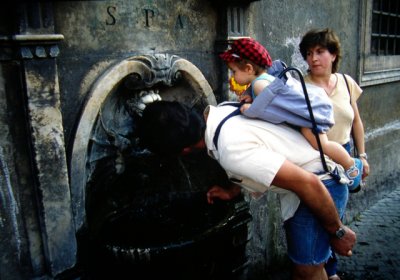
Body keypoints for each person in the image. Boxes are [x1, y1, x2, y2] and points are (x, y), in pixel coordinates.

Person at [138, 100, 356, 280]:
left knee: (307, 272)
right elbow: (255, 150)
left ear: (184, 151)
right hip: (312, 184)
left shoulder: (230, 151)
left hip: (321, 186)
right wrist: (233, 190)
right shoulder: (222, 111)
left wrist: (337, 231)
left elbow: (308, 183)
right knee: (310, 266)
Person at [219, 37, 363, 190]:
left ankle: (352, 165)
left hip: (309, 119)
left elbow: (270, 110)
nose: (233, 76)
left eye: (234, 71)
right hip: (304, 117)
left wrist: (250, 110)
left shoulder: (259, 85)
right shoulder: (263, 79)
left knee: (322, 145)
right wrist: (251, 96)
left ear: (248, 69)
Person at [299, 28, 370, 280]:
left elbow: (356, 122)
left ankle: (329, 267)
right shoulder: (299, 86)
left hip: (346, 153)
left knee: (336, 215)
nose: (313, 58)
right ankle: (327, 271)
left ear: (333, 54)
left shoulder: (347, 82)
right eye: (308, 53)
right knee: (321, 217)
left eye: (319, 52)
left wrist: (362, 156)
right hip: (316, 159)